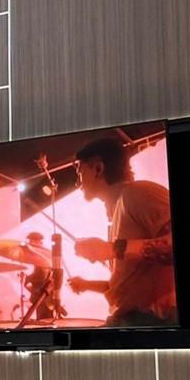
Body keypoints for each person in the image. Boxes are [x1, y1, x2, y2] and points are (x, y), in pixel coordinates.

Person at [64, 137, 177, 326]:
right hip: (130, 320)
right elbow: (129, 285)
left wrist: (112, 249)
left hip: (150, 322)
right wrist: (86, 284)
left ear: (98, 168)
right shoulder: (120, 207)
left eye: (80, 171)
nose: (78, 183)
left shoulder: (138, 192)